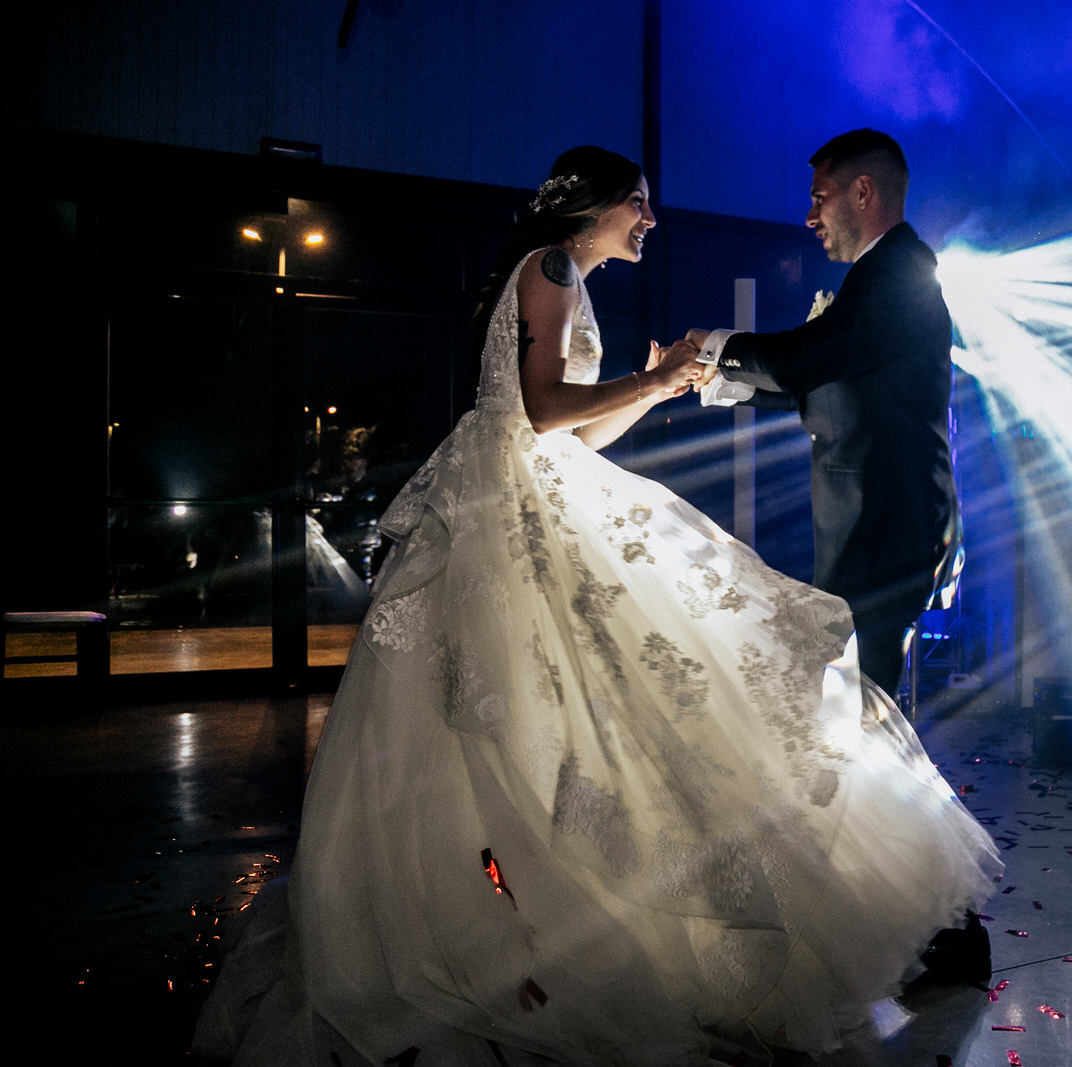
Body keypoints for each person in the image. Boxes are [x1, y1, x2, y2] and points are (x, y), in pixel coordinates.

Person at [193, 146, 1000, 1067]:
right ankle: (525, 914)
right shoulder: (547, 268)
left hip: (720, 499)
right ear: (599, 206)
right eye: (642, 205)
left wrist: (660, 383)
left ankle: (894, 916)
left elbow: (587, 419)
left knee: (602, 696)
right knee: (531, 702)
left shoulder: (577, 277)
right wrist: (663, 379)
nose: (653, 221)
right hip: (510, 504)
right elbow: (538, 410)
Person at [690, 129, 960, 697]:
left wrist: (713, 345)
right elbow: (820, 383)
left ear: (863, 192)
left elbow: (804, 360)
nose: (810, 216)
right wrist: (718, 379)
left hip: (883, 532)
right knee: (855, 707)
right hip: (868, 529)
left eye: (819, 197)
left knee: (865, 713)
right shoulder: (882, 274)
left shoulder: (899, 275)